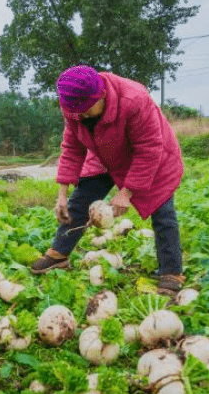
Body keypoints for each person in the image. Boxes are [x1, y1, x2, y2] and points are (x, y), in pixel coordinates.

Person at [30, 65, 185, 296]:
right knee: (80, 200)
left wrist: (126, 192)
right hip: (105, 155)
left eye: (85, 110)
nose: (80, 116)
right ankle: (59, 254)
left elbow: (149, 148)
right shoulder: (73, 108)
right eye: (76, 112)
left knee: (163, 213)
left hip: (153, 157)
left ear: (100, 95)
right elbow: (72, 148)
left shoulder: (134, 100)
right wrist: (61, 194)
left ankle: (171, 271)